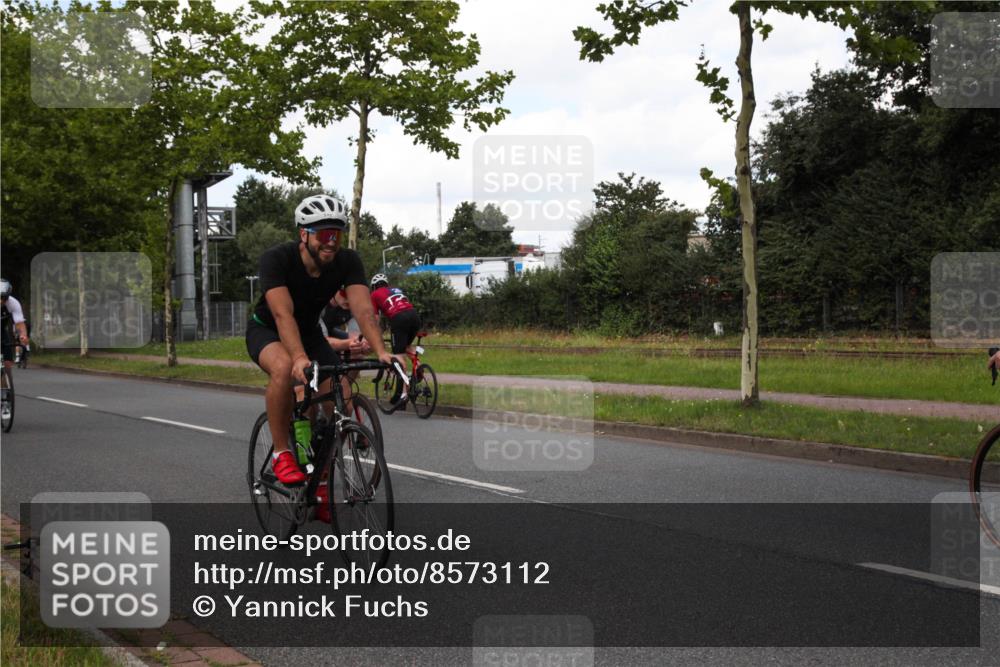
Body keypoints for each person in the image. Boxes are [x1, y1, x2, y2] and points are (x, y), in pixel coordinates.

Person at [245, 195, 393, 485]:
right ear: (304, 234)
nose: (331, 242)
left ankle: (319, 478)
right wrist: (299, 358)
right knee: (284, 367)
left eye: (336, 234)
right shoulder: (277, 259)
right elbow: (282, 314)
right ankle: (281, 453)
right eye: (324, 234)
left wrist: (382, 351)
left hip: (310, 333)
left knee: (340, 394)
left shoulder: (346, 261)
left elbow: (363, 308)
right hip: (268, 330)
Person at [1, 279, 29, 420]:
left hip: (1, 331)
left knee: (6, 365)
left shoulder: (13, 303)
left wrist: (23, 336)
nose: (1, 301)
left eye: (4, 298)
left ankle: (5, 399)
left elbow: (19, 322)